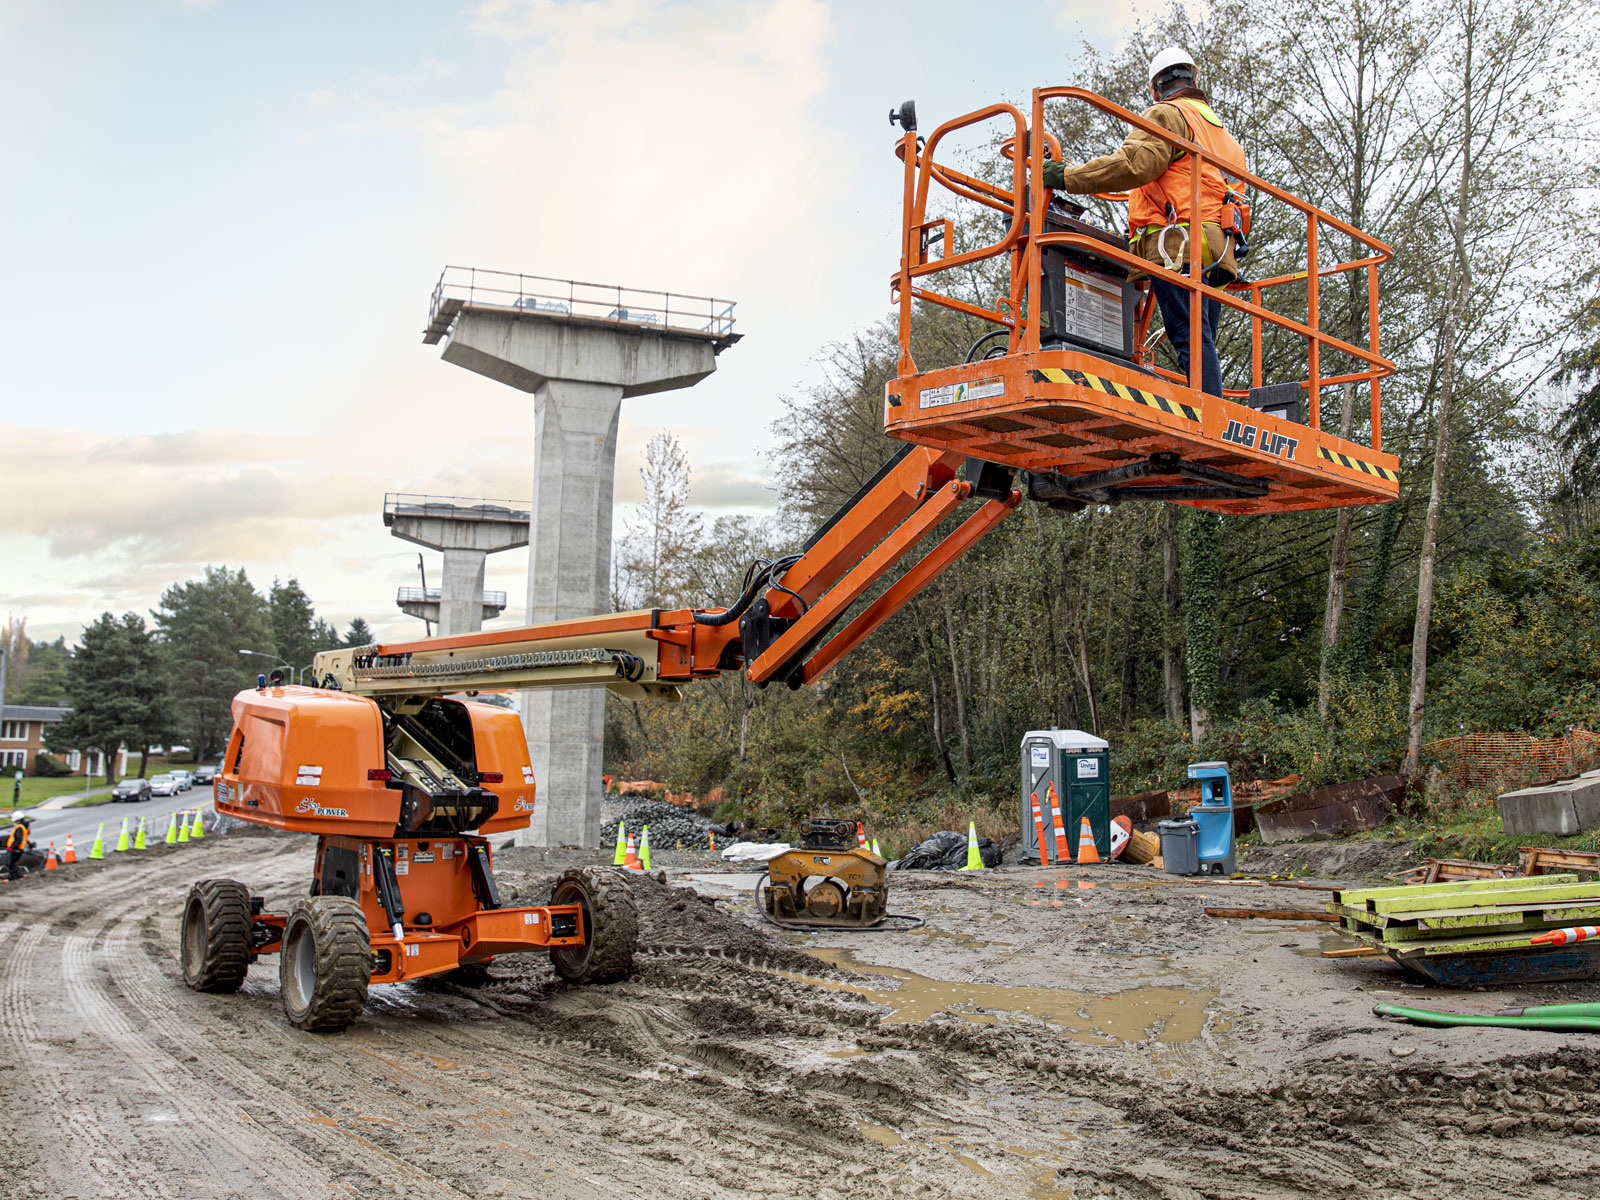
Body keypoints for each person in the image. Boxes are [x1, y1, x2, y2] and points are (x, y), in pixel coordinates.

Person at [1042, 47, 1247, 398]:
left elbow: (1131, 166)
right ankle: (1212, 411)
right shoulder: (1226, 139)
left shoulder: (1168, 114)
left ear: (1155, 89)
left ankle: (1208, 419)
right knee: (1202, 338)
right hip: (1219, 249)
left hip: (1179, 247)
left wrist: (1065, 176)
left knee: (1191, 340)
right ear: (1194, 80)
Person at [6, 814, 32, 882]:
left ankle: (14, 877)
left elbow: (18, 839)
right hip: (19, 848)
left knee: (11, 863)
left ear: (18, 820)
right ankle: (16, 875)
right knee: (13, 863)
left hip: (16, 849)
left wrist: (12, 847)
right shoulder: (23, 827)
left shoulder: (19, 828)